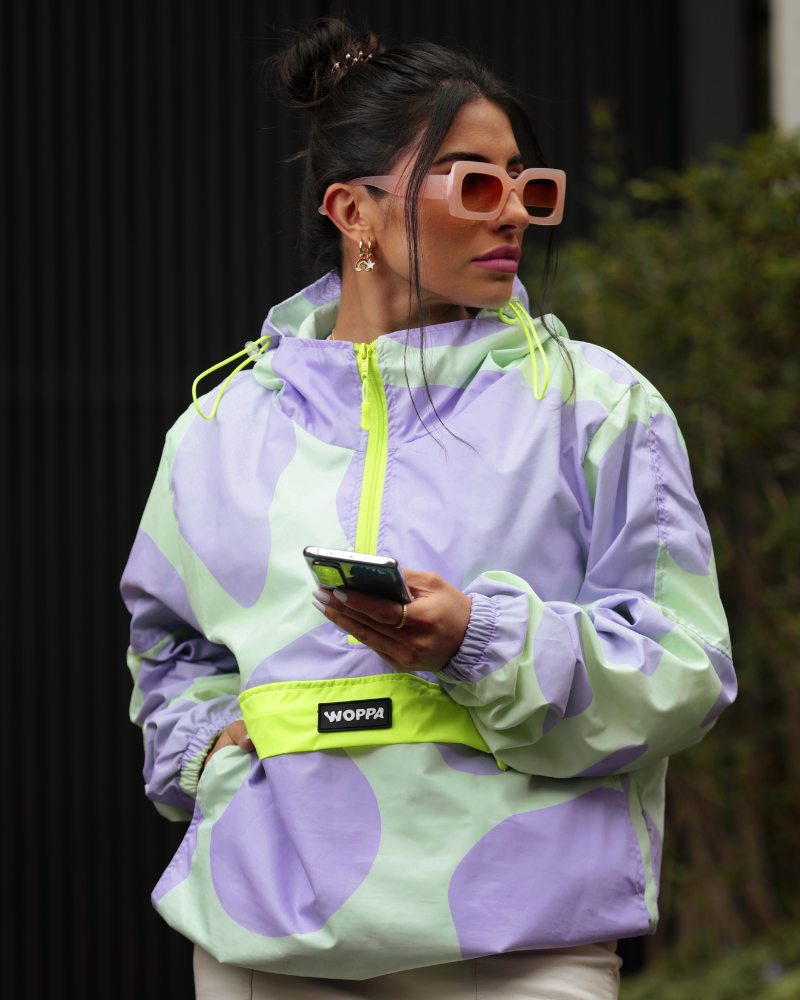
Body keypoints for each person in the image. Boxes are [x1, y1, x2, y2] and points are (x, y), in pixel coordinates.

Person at [121, 17, 736, 1000]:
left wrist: (477, 641)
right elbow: (169, 645)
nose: (514, 214)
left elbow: (685, 665)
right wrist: (202, 752)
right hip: (268, 938)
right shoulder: (219, 426)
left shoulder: (595, 405)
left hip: (523, 941)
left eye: (528, 187)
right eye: (474, 184)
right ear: (351, 211)